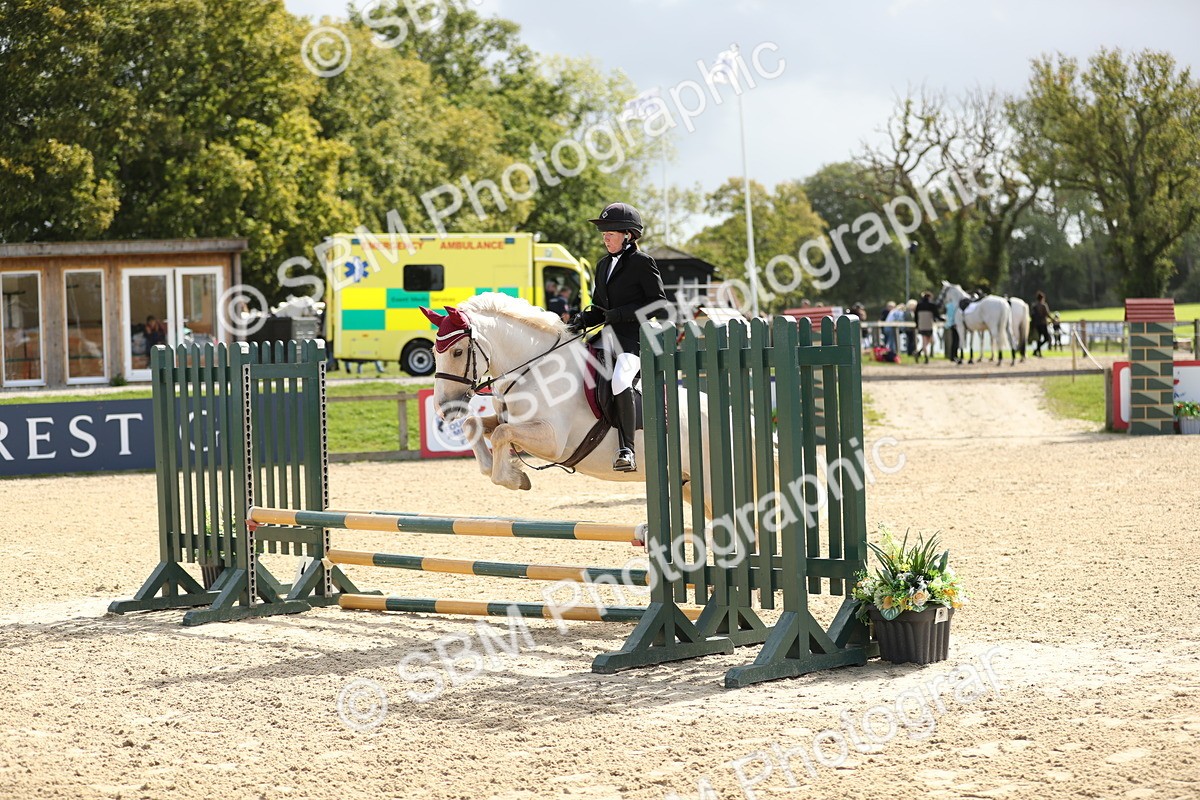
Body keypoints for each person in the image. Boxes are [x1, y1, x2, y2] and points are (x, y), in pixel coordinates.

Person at [568, 202, 667, 472]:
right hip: (607, 337)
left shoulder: (642, 262)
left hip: (635, 339)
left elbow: (659, 305)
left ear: (628, 235)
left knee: (621, 379)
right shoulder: (603, 266)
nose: (605, 238)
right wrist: (581, 320)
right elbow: (600, 308)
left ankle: (627, 449)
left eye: (610, 233)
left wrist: (619, 314)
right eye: (604, 233)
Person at [915, 291, 941, 364]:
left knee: (926, 341)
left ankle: (919, 353)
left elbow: (916, 316)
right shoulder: (932, 305)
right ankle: (925, 357)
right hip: (928, 324)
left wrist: (917, 324)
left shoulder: (919, 305)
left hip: (921, 324)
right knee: (928, 341)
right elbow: (936, 315)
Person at [1031, 291, 1052, 356]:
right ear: (1042, 298)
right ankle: (1037, 350)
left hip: (1036, 324)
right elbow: (1047, 314)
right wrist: (1052, 319)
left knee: (1038, 338)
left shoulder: (1034, 306)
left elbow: (1032, 315)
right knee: (1046, 338)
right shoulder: (1043, 305)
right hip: (1043, 323)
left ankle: (1038, 352)